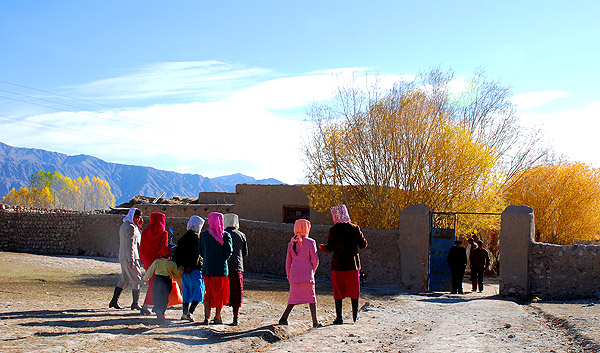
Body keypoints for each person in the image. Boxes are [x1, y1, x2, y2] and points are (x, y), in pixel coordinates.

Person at [319, 205, 368, 324]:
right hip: (353, 265)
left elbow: (329, 247)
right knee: (354, 291)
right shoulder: (355, 228)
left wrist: (322, 247)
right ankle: (355, 317)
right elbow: (363, 244)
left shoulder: (334, 230)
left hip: (338, 265)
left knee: (338, 291)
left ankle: (339, 317)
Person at [279, 219, 322, 328]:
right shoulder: (311, 242)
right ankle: (315, 322)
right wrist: (312, 270)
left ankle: (284, 317)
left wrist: (289, 275)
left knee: (293, 298)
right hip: (307, 273)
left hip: (295, 273)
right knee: (311, 298)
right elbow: (315, 259)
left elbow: (288, 261)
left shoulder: (292, 243)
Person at [198, 212, 233, 325]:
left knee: (207, 293)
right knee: (219, 294)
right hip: (220, 270)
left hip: (207, 269)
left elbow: (200, 251)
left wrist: (208, 258)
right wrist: (222, 259)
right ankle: (217, 317)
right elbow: (229, 251)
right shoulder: (225, 235)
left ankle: (206, 318)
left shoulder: (203, 235)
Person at [109, 207, 144, 310]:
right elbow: (130, 245)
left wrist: (139, 226)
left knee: (125, 279)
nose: (138, 219)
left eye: (139, 217)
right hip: (130, 256)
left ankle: (114, 301)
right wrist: (131, 260)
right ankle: (135, 303)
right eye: (137, 217)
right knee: (137, 279)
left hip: (123, 256)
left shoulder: (125, 225)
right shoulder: (131, 228)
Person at [172, 215, 205, 322]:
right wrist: (193, 265)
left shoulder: (183, 238)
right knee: (199, 291)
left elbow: (177, 254)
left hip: (184, 270)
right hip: (194, 269)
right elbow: (197, 255)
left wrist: (182, 266)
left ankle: (184, 313)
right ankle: (190, 312)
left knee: (187, 291)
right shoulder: (197, 238)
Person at [142, 246, 184, 324]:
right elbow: (177, 272)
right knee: (165, 297)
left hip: (157, 280)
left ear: (160, 254)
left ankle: (157, 309)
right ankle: (162, 312)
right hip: (167, 281)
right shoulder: (172, 264)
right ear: (169, 255)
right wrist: (181, 269)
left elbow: (150, 271)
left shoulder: (157, 262)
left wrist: (145, 279)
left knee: (157, 296)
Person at [139, 212, 169, 315]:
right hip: (157, 262)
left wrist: (142, 259)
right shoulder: (163, 233)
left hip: (147, 260)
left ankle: (154, 305)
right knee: (153, 284)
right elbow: (163, 249)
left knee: (152, 283)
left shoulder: (145, 231)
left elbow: (141, 246)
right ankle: (146, 306)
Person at [224, 213, 248, 326]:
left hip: (224, 267)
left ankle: (217, 316)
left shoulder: (222, 234)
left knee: (222, 291)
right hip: (237, 266)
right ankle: (235, 318)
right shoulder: (241, 235)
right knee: (237, 292)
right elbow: (244, 253)